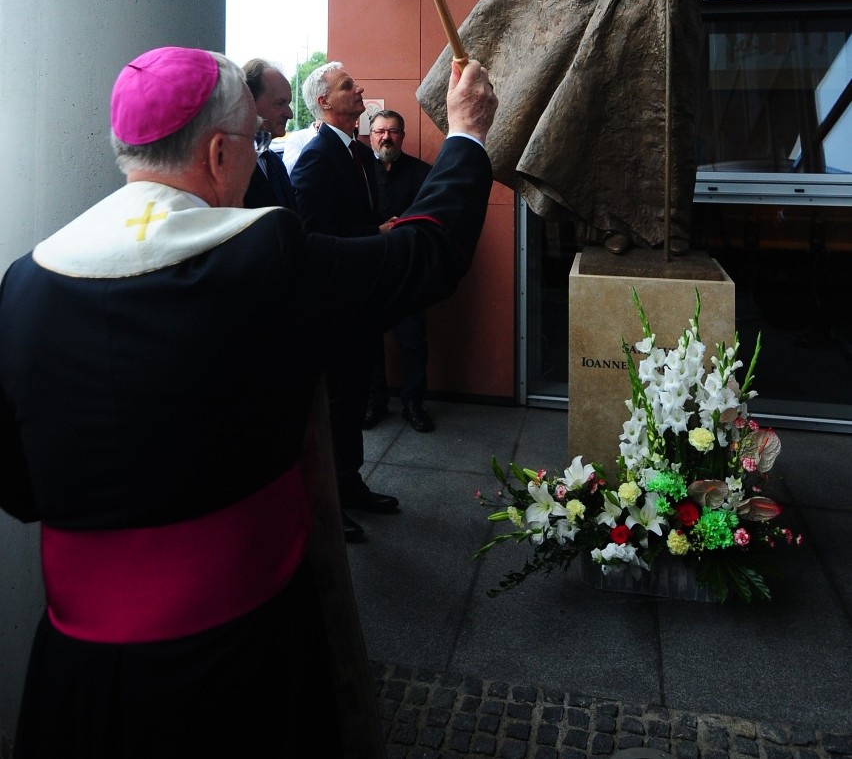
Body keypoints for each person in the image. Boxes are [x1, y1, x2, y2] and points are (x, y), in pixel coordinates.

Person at [0, 45, 497, 758]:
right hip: (244, 653)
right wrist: (467, 133)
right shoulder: (264, 257)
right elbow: (425, 256)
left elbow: (18, 487)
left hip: (77, 674)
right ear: (221, 153)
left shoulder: (26, 280)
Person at [417, 0, 735, 256]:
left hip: (665, 56)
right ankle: (609, 226)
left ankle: (671, 227)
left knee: (666, 139)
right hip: (605, 55)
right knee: (604, 141)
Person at [290, 62, 398, 543]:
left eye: (356, 83)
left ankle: (350, 486)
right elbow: (312, 232)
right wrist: (373, 234)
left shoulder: (356, 151)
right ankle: (331, 502)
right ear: (323, 103)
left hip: (360, 298)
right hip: (335, 303)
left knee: (354, 396)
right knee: (338, 402)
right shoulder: (317, 157)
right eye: (347, 87)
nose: (360, 90)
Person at [364, 109, 435, 433]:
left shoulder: (423, 174)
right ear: (371, 134)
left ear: (402, 136)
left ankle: (412, 404)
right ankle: (375, 401)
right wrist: (374, 229)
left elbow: (433, 220)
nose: (386, 137)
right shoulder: (358, 173)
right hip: (370, 270)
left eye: (392, 131)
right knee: (368, 341)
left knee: (413, 341)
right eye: (380, 131)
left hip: (408, 271)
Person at [241, 57, 298, 210]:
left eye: (289, 103)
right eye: (280, 103)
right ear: (249, 102)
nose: (290, 114)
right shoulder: (232, 168)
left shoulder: (275, 162)